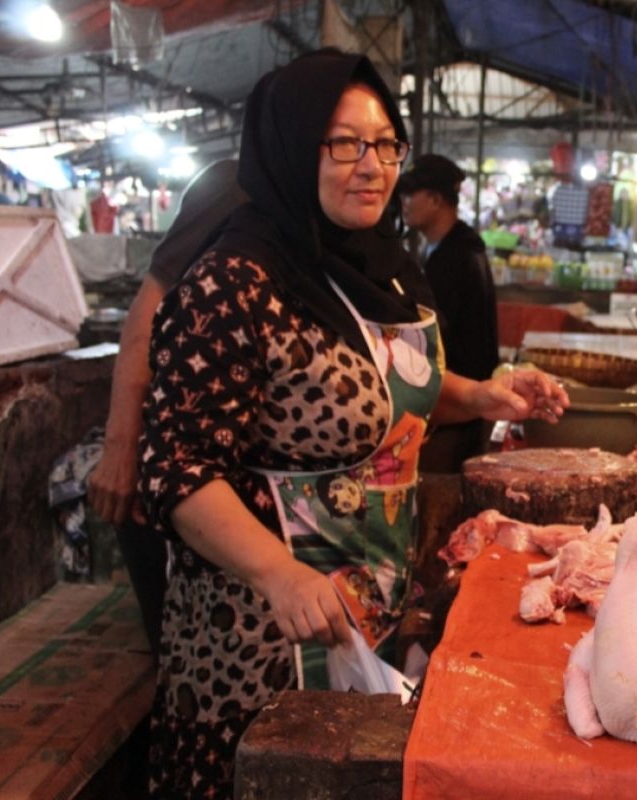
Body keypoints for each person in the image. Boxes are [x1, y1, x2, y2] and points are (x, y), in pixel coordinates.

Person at [136, 49, 567, 797]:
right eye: (343, 142)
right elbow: (177, 468)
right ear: (293, 145)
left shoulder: (386, 267)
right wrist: (276, 572)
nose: (371, 165)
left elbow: (393, 387)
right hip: (259, 632)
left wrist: (486, 395)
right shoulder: (234, 283)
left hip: (369, 602)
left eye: (385, 144)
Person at [86, 159, 246, 656]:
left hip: (248, 484)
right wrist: (121, 446)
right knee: (180, 650)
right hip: (178, 466)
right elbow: (149, 306)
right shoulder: (233, 184)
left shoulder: (323, 202)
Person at [397, 153, 500, 471]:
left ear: (435, 199)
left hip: (459, 411)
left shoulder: (454, 258)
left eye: (410, 194)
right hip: (466, 404)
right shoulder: (457, 245)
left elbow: (439, 338)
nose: (403, 202)